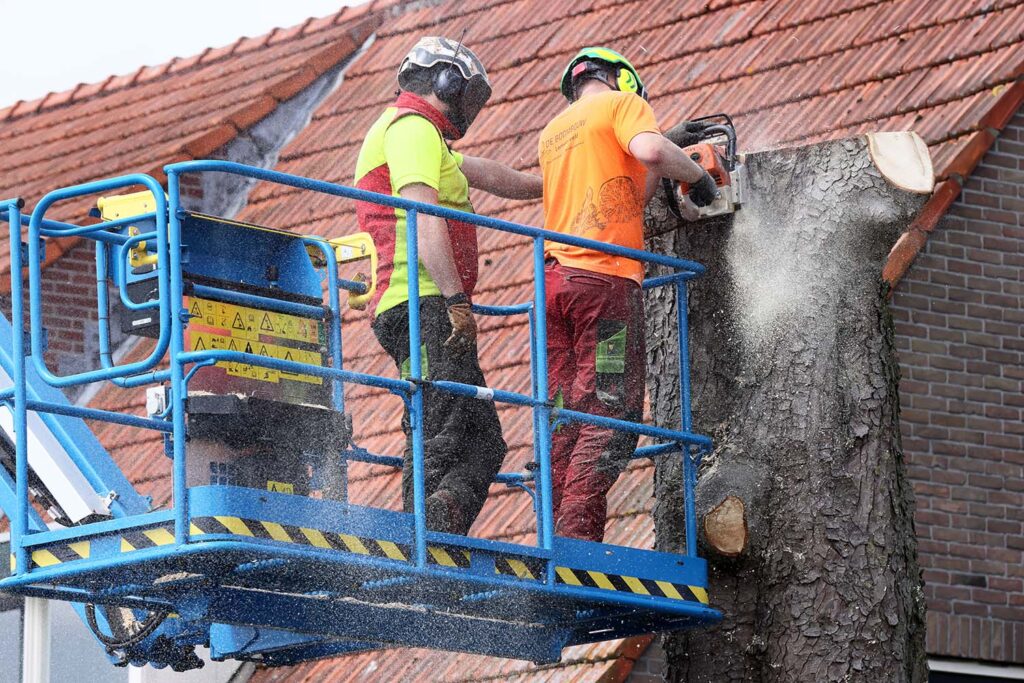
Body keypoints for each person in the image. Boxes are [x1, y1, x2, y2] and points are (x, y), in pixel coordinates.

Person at [354, 37, 542, 535]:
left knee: (482, 440)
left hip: (426, 304)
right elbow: (422, 220)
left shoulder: (423, 138)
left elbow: (488, 174)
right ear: (447, 83)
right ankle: (424, 545)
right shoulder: (411, 128)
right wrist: (458, 301)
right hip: (420, 303)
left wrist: (553, 181)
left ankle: (439, 523)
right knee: (443, 427)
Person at [537, 47, 717, 542]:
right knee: (610, 407)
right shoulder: (622, 105)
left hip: (555, 284)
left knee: (562, 407)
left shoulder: (554, 132)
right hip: (605, 287)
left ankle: (552, 533)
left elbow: (629, 193)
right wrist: (698, 177)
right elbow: (651, 152)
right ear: (623, 80)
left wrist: (664, 147)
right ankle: (578, 540)